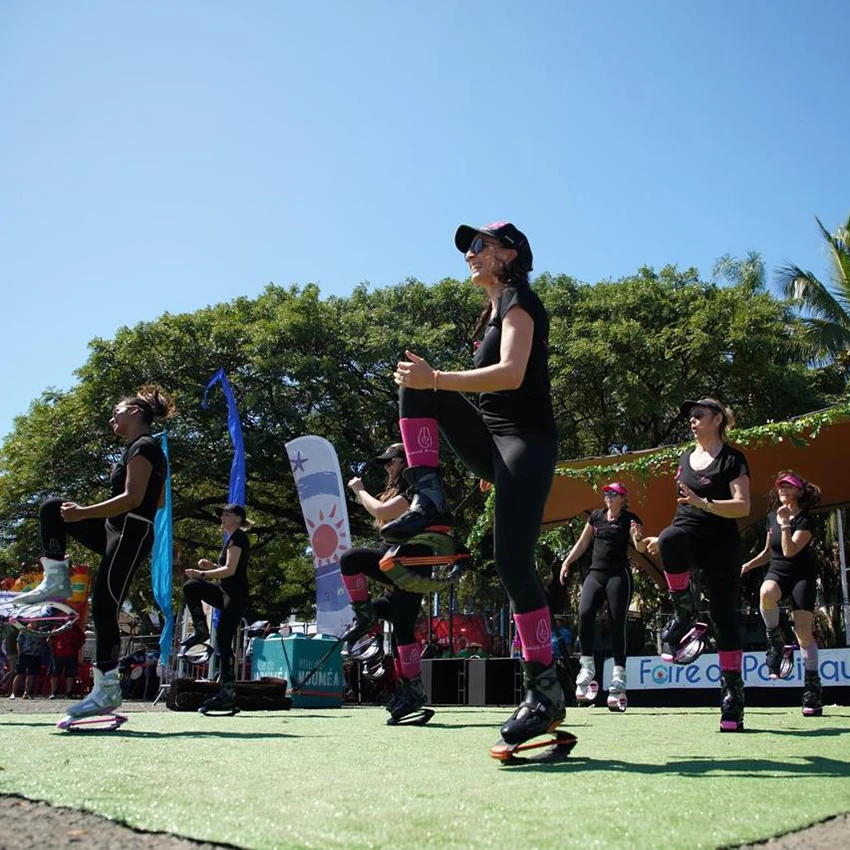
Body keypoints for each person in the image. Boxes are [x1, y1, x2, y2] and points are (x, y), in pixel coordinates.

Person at [380, 221, 568, 749]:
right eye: (468, 246)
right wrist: (433, 383)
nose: (470, 252)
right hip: (494, 442)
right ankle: (429, 498)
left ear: (510, 253)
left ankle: (545, 692)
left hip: (525, 444)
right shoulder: (491, 311)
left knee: (512, 563)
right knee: (414, 382)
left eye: (480, 244)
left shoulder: (520, 301)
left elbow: (511, 373)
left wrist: (439, 380)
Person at [14, 386, 174, 721]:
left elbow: (134, 499)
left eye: (117, 410)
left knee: (104, 606)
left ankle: (107, 688)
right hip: (114, 529)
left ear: (134, 412)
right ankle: (56, 579)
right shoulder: (137, 449)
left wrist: (84, 513)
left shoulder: (145, 446)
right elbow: (158, 499)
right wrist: (84, 515)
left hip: (131, 532)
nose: (111, 418)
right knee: (53, 508)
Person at [644, 398, 751, 732]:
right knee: (670, 537)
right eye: (690, 416)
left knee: (723, 618)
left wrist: (704, 503)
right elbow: (682, 511)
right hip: (689, 534)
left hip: (721, 544)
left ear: (717, 419)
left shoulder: (733, 459)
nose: (692, 420)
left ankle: (732, 696)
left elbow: (743, 506)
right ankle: (683, 613)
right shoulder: (684, 458)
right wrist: (663, 540)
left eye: (698, 415)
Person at [339, 443, 433, 723]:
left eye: (391, 461)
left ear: (405, 461)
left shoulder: (414, 490)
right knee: (401, 630)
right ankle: (411, 692)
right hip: (399, 571)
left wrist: (359, 490)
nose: (387, 467)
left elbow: (381, 511)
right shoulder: (403, 488)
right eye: (385, 463)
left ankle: (365, 617)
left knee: (351, 559)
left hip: (408, 565)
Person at [741, 471, 823, 716]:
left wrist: (786, 522)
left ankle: (812, 689)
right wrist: (748, 565)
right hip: (777, 573)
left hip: (801, 577)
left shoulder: (805, 520)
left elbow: (789, 551)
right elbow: (770, 552)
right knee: (766, 591)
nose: (783, 491)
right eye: (780, 487)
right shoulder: (771, 517)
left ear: (799, 491)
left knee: (803, 635)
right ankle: (775, 639)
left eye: (788, 487)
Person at [560, 482, 646, 708]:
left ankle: (619, 674)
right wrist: (567, 562)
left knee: (617, 622)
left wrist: (638, 537)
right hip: (596, 574)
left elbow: (640, 548)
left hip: (618, 575)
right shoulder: (596, 517)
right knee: (584, 613)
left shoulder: (630, 519)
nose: (608, 496)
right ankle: (587, 667)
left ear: (623, 498)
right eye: (606, 493)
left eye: (613, 494)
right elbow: (583, 542)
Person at [181, 503, 252, 714]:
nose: (222, 517)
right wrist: (212, 567)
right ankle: (200, 630)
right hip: (224, 592)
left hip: (235, 596)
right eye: (222, 514)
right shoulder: (231, 538)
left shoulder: (238, 537)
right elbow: (228, 570)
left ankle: (227, 693)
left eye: (226, 514)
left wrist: (202, 574)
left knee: (223, 639)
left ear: (238, 518)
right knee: (191, 587)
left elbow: (230, 571)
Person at [48, 623, 85, 699]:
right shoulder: (58, 627)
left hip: (71, 655)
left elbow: (82, 640)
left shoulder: (76, 628)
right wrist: (53, 651)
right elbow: (50, 639)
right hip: (58, 655)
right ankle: (53, 692)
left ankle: (69, 693)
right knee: (55, 673)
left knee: (70, 674)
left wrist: (77, 650)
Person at [10, 625, 47, 699]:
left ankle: (26, 692)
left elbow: (43, 641)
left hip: (36, 655)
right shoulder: (24, 630)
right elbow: (19, 642)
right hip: (24, 654)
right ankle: (13, 693)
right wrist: (20, 654)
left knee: (31, 675)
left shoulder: (40, 631)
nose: (36, 622)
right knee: (19, 674)